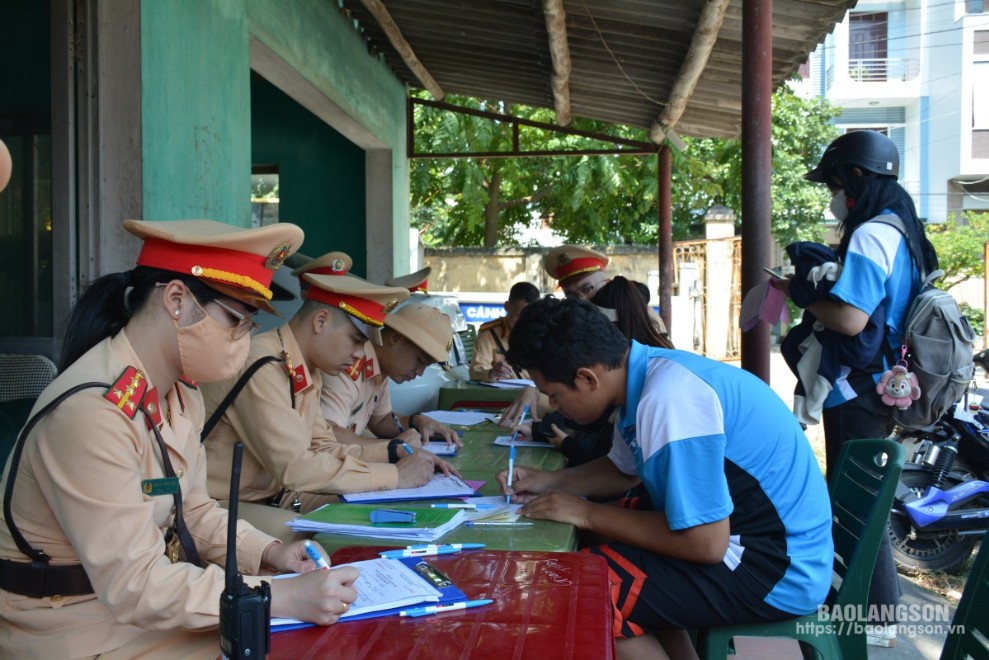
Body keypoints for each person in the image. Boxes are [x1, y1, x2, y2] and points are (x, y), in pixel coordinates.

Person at [0, 219, 360, 658]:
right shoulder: (94, 413)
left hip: (129, 611)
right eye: (235, 320)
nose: (244, 340)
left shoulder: (178, 393)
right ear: (176, 299)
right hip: (68, 625)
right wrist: (280, 595)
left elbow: (190, 508)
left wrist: (271, 553)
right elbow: (136, 584)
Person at [498, 297, 833, 660]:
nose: (555, 407)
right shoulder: (645, 378)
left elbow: (704, 544)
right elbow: (621, 472)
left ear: (587, 378)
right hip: (750, 542)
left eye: (554, 395)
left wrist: (583, 512)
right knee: (601, 535)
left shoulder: (668, 398)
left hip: (774, 570)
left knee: (578, 593)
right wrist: (550, 481)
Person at [774, 129, 938, 647]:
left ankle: (876, 621)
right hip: (885, 385)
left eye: (836, 183)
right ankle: (867, 614)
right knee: (862, 502)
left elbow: (849, 319)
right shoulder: (906, 231)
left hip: (859, 389)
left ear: (858, 180)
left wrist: (799, 294)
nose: (833, 195)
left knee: (858, 507)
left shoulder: (871, 235)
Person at [201, 273, 456, 539]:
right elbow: (296, 468)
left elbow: (324, 447)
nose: (360, 353)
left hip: (276, 495)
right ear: (320, 321)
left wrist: (393, 454)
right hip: (218, 504)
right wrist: (394, 475)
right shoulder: (264, 364)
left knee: (382, 509)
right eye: (356, 340)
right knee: (309, 542)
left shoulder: (308, 369)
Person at [312, 302, 462, 513]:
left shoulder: (380, 369)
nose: (419, 372)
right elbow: (329, 435)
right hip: (320, 476)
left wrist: (416, 422)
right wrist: (395, 448)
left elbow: (380, 420)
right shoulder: (347, 364)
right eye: (419, 361)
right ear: (395, 338)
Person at [522, 277, 674, 467]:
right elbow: (622, 469)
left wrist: (568, 444)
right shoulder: (631, 378)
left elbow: (629, 476)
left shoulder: (659, 395)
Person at [469, 281, 539, 382]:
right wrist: (491, 373)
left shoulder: (543, 333)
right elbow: (476, 371)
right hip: (506, 396)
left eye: (531, 318)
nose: (525, 323)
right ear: (507, 306)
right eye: (518, 316)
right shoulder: (489, 334)